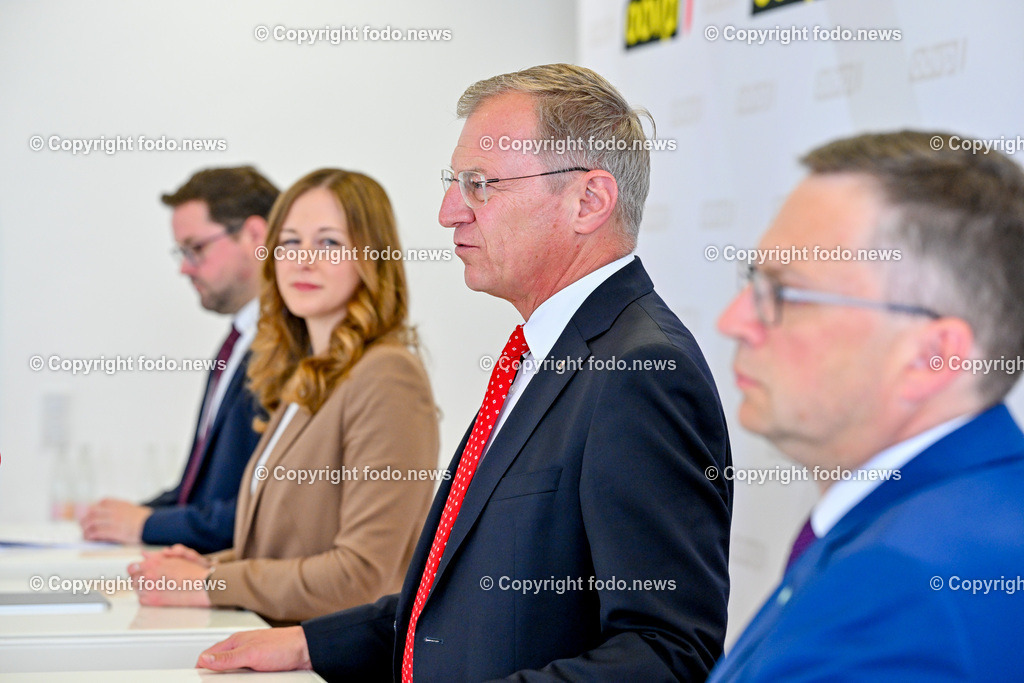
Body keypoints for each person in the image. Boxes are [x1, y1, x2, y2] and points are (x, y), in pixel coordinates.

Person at [197, 63, 732, 681]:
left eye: (480, 184)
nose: (450, 211)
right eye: (455, 183)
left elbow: (666, 653)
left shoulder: (642, 369)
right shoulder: (541, 353)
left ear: (588, 200)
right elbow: (460, 596)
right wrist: (311, 644)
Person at [708, 131, 1024, 681]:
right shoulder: (972, 516)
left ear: (932, 356)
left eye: (785, 292)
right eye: (754, 279)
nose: (734, 320)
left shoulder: (901, 591)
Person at [127, 168, 439, 624]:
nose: (302, 260)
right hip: (268, 644)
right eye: (289, 242)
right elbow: (288, 545)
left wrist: (213, 584)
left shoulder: (387, 375)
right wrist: (212, 566)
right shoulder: (309, 375)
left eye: (329, 243)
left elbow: (364, 576)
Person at [81, 166, 278, 552]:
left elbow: (266, 509)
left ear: (255, 235)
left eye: (196, 248)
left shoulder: (290, 347)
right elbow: (202, 492)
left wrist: (150, 524)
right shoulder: (238, 341)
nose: (184, 267)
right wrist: (132, 516)